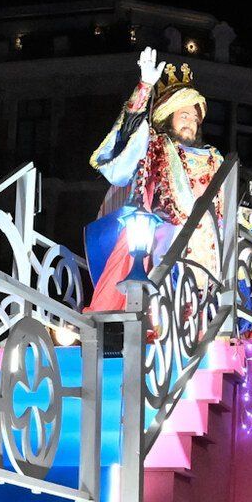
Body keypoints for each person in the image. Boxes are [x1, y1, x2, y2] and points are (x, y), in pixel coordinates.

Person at [84, 47, 226, 313]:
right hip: (162, 232)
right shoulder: (155, 145)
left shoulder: (214, 159)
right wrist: (145, 87)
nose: (191, 124)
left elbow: (225, 203)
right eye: (184, 116)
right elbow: (128, 138)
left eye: (195, 118)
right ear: (167, 117)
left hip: (209, 244)